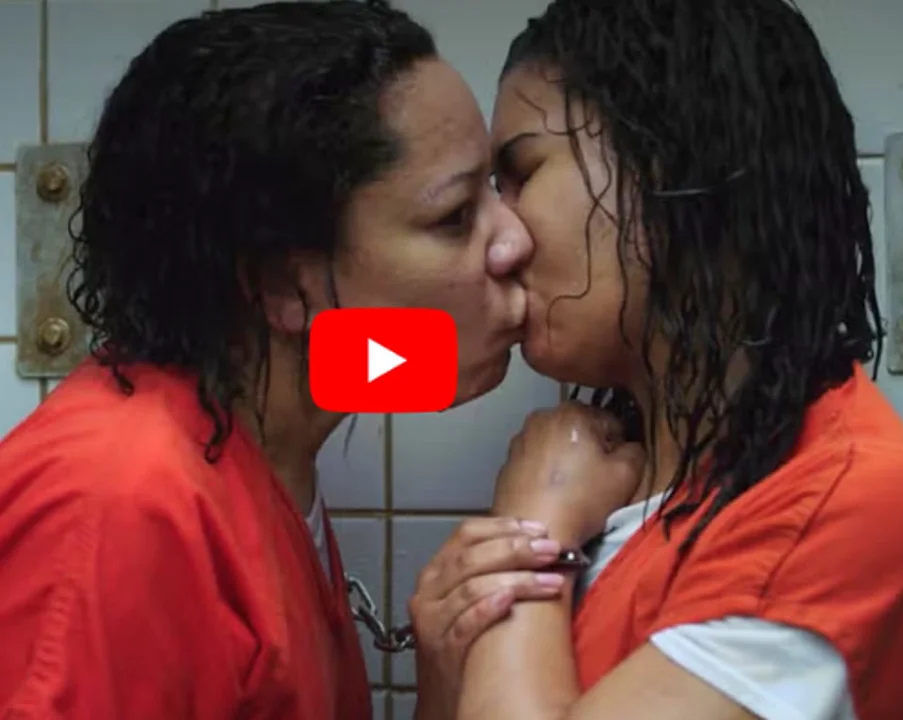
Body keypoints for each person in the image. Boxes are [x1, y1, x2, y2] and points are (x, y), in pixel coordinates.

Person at [0, 2, 588, 717]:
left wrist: (441, 685)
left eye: (495, 190)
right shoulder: (119, 501)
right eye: (455, 216)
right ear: (285, 285)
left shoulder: (264, 448)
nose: (514, 241)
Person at [415, 1, 903, 719]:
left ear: (670, 166)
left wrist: (528, 544)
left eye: (523, 174)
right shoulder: (607, 493)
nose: (504, 242)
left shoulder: (861, 508)